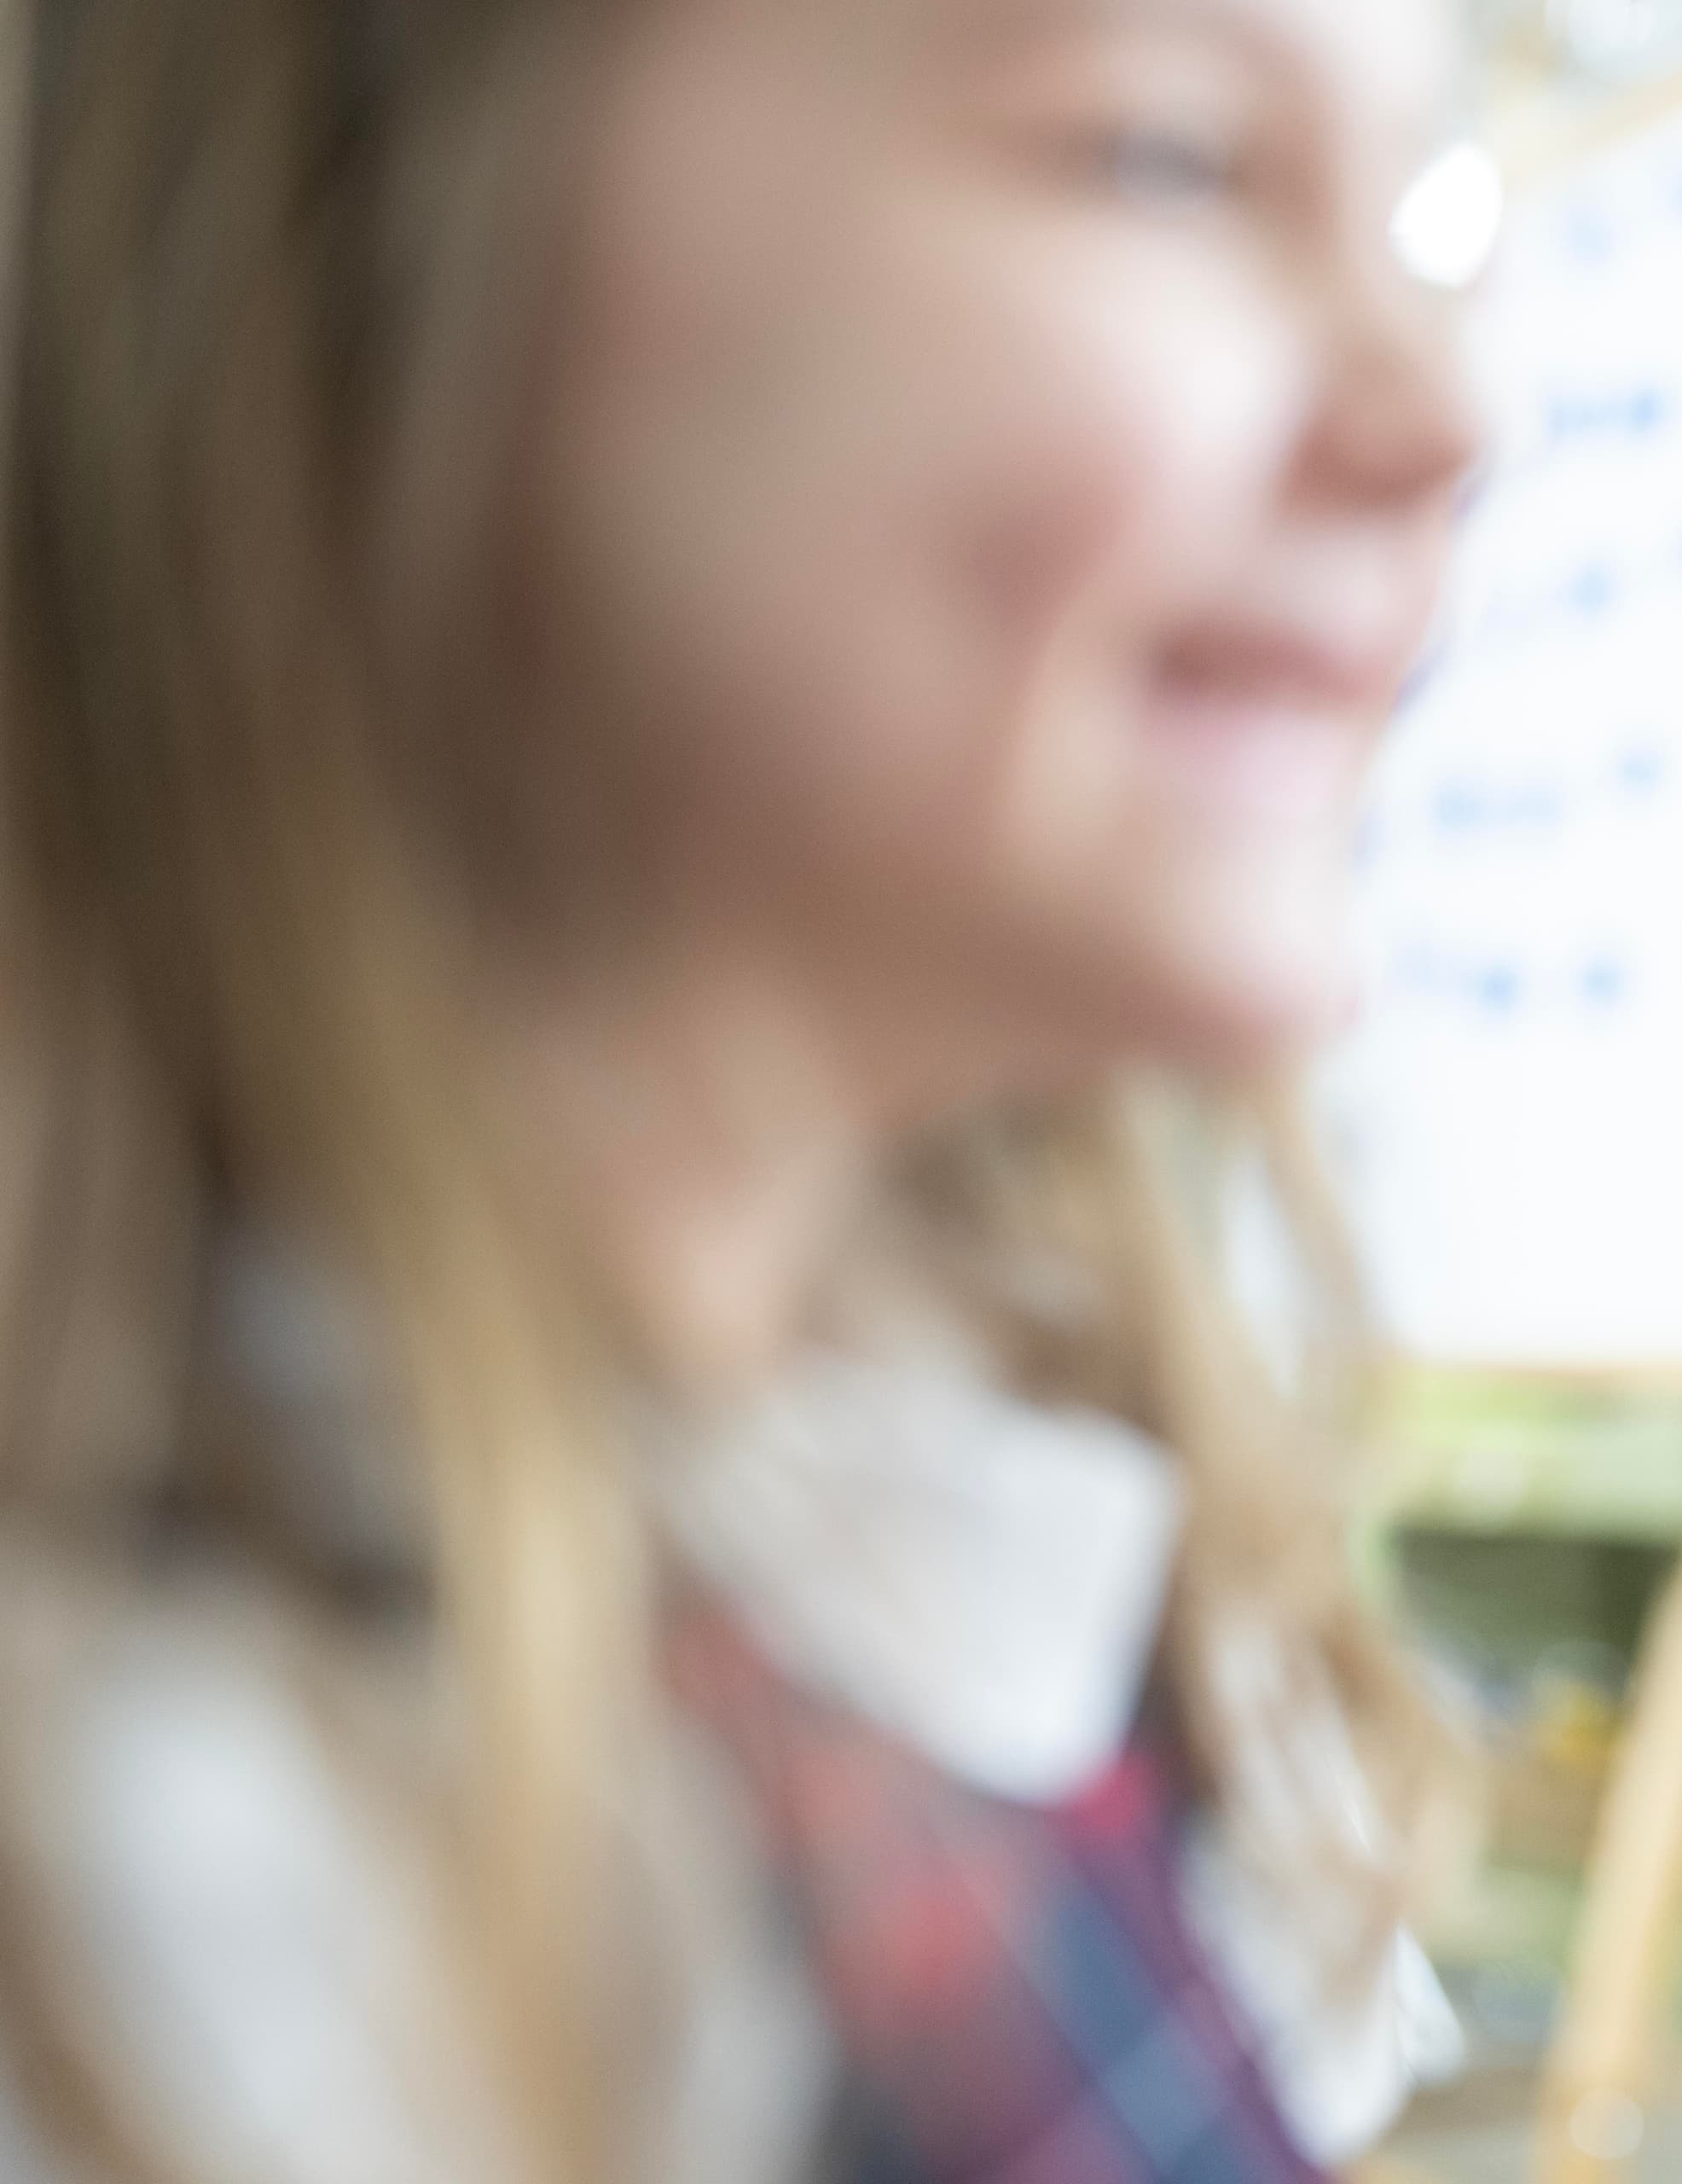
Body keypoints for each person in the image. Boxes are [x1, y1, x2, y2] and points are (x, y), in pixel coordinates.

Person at [0, 1, 1487, 2179]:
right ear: (395, 218)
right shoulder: (178, 1895)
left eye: (1428, 217)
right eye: (1165, 157)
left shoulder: (1024, 1513)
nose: (1445, 417)